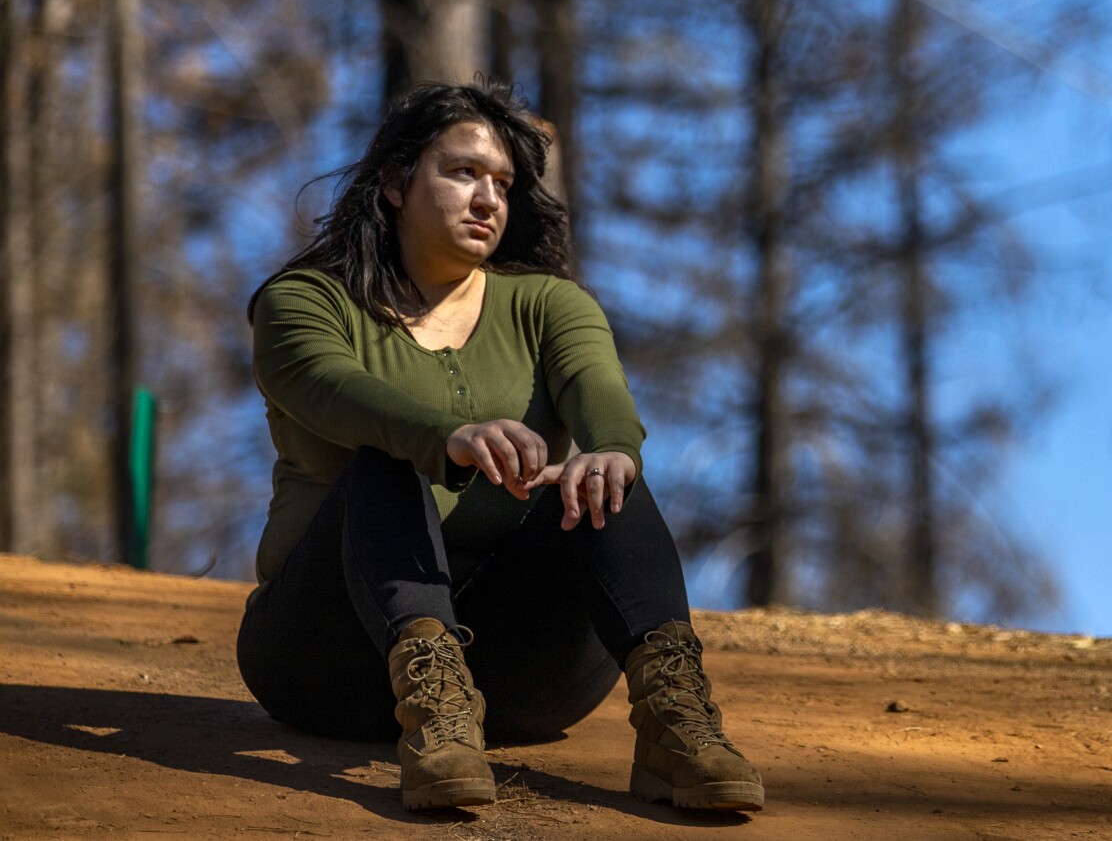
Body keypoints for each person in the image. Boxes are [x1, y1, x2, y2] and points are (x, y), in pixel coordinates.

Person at [235, 81, 763, 813]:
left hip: (523, 679)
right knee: (386, 457)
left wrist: (612, 448)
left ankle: (678, 721)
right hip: (328, 658)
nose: (488, 198)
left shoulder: (549, 304)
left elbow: (603, 397)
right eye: (462, 172)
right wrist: (444, 435)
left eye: (503, 183)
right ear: (392, 182)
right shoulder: (302, 302)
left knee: (605, 479)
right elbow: (330, 386)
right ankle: (433, 702)